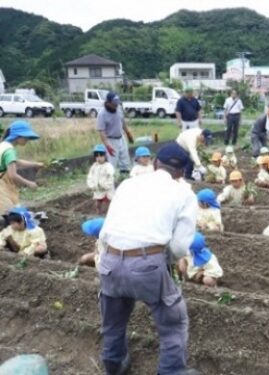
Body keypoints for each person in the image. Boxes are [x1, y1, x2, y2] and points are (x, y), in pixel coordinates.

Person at [97, 141, 199, 375]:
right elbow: (180, 246)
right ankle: (171, 370)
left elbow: (106, 230)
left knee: (113, 321)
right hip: (146, 264)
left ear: (155, 163)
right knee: (173, 321)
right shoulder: (184, 193)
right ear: (182, 172)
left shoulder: (128, 184)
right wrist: (165, 263)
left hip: (110, 259)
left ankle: (114, 364)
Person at [0, 120, 42, 213]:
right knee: (9, 213)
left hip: (4, 184)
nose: (27, 139)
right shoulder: (9, 151)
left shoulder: (3, 145)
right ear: (17, 136)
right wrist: (29, 183)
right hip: (2, 186)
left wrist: (35, 164)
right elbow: (13, 175)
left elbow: (16, 162)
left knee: (14, 211)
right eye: (26, 137)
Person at [96, 91, 134, 176]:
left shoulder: (118, 108)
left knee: (125, 161)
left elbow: (122, 121)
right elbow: (101, 131)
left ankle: (124, 178)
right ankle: (109, 182)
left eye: (117, 103)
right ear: (108, 103)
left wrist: (128, 134)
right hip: (111, 140)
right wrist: (107, 146)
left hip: (121, 138)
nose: (116, 105)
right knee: (111, 163)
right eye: (114, 104)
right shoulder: (102, 114)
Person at [87, 145, 115, 216]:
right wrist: (92, 185)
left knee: (107, 205)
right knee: (98, 204)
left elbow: (110, 177)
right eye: (97, 156)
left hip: (106, 190)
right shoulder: (94, 166)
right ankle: (98, 214)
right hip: (97, 190)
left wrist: (106, 185)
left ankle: (108, 215)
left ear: (105, 156)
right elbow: (90, 177)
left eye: (101, 155)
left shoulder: (108, 166)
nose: (99, 158)